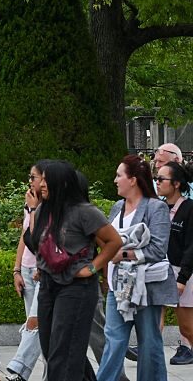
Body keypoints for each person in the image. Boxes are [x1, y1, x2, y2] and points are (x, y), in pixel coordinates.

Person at [22, 160, 120, 381]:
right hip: (48, 285)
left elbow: (114, 242)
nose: (42, 184)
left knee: (64, 353)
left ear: (62, 183)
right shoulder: (45, 209)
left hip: (76, 288)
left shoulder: (84, 212)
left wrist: (93, 267)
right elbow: (35, 242)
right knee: (51, 349)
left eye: (46, 180)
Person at [97, 155, 178, 381]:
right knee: (114, 340)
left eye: (119, 175)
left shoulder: (156, 208)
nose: (115, 180)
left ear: (132, 180)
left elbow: (158, 249)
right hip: (118, 287)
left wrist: (122, 254)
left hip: (147, 287)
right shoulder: (116, 208)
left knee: (149, 342)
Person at [0, 163, 47, 381]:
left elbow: (38, 241)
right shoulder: (31, 203)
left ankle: (17, 373)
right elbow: (25, 238)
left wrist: (34, 209)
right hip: (27, 269)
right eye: (30, 177)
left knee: (35, 324)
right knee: (37, 328)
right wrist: (17, 269)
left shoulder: (46, 206)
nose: (31, 182)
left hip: (43, 270)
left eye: (34, 177)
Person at [157, 160, 193, 365]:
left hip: (183, 273)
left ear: (177, 183)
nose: (157, 182)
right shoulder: (159, 207)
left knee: (187, 328)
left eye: (162, 179)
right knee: (155, 319)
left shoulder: (189, 209)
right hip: (160, 271)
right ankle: (148, 350)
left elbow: (191, 247)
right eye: (156, 178)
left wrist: (182, 278)